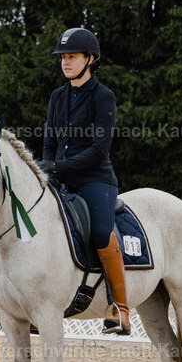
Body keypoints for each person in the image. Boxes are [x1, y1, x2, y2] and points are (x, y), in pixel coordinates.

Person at [39, 27, 129, 334]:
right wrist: (46, 167)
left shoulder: (103, 97)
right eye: (63, 57)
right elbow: (49, 140)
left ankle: (120, 306)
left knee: (102, 231)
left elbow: (98, 149)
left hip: (95, 179)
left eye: (72, 56)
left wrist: (59, 166)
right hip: (60, 177)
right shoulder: (57, 97)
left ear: (90, 59)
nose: (65, 62)